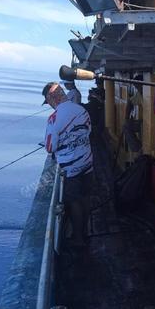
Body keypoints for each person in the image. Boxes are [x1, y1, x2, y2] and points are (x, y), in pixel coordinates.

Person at [42, 82, 93, 247]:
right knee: (85, 198)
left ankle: (79, 239)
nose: (49, 105)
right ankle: (85, 232)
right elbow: (88, 132)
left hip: (71, 168)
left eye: (48, 101)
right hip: (87, 162)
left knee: (74, 201)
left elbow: (50, 147)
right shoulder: (82, 110)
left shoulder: (54, 118)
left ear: (52, 98)